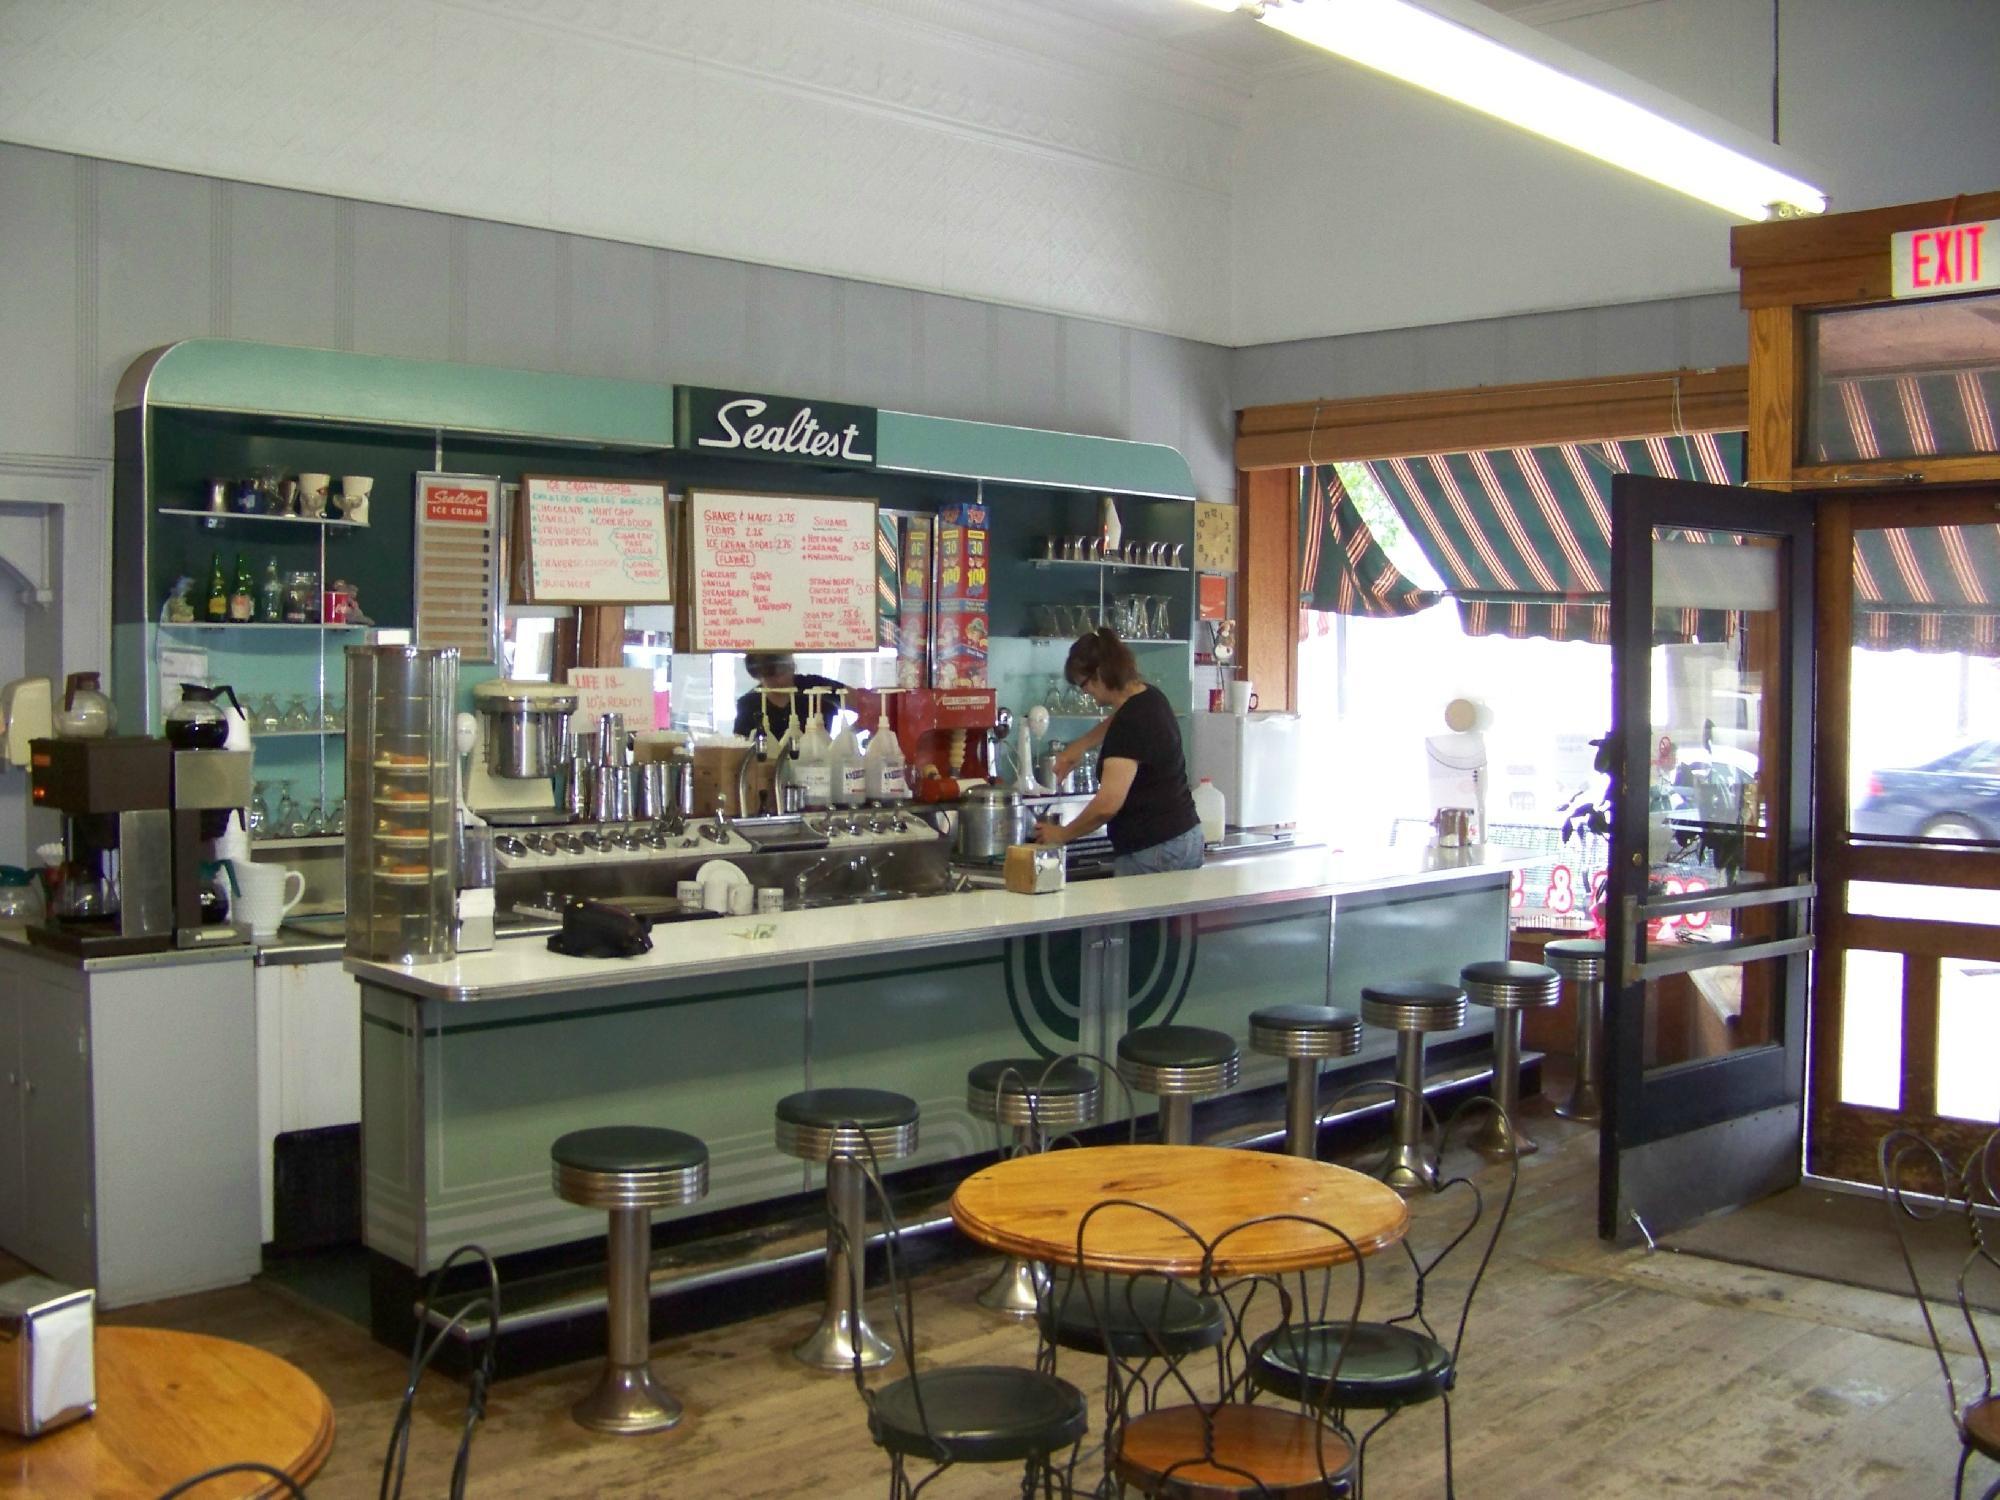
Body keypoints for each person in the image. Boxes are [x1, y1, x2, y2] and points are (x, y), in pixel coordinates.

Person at [1034, 627, 1203, 875]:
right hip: (1184, 836)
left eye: (1084, 684)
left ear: (1099, 674)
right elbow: (1118, 719)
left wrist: (1063, 834)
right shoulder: (1149, 696)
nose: (1085, 692)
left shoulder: (1130, 721)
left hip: (1153, 849)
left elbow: (1107, 805)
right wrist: (1081, 745)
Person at [732, 652, 845, 741]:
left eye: (780, 674)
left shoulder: (815, 687)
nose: (775, 681)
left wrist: (847, 735)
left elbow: (855, 700)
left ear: (791, 666)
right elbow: (740, 745)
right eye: (767, 676)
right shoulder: (749, 704)